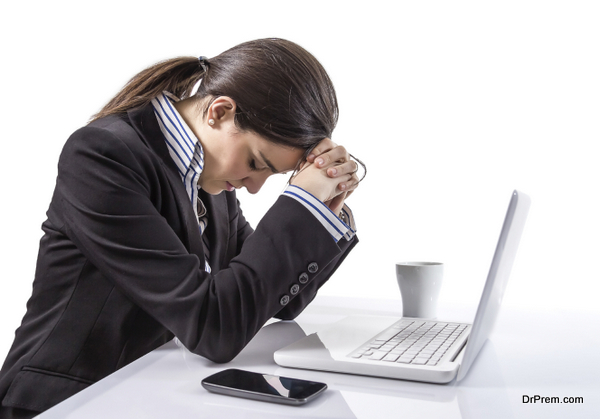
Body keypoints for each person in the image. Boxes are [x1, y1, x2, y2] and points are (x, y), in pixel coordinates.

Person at [0, 38, 363, 417]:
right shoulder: (102, 157)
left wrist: (323, 211)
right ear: (219, 112)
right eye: (257, 163)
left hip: (148, 392)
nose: (255, 187)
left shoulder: (209, 172)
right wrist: (299, 207)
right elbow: (215, 327)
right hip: (63, 402)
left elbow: (275, 302)